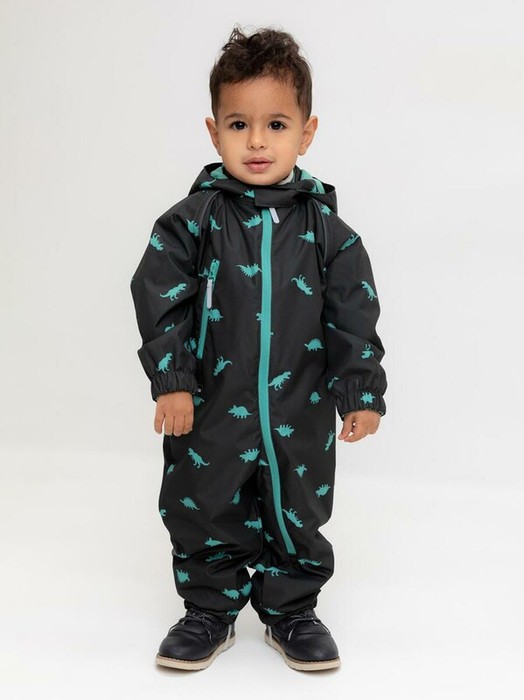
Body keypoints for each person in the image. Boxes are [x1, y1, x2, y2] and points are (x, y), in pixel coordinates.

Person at [130, 25, 387, 672]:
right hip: (211, 407)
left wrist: (359, 390)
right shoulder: (192, 222)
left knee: (300, 508)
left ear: (307, 132)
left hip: (300, 409)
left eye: (276, 124)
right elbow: (159, 297)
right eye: (238, 124)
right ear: (214, 132)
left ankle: (293, 611)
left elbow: (353, 314)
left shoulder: (330, 234)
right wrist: (172, 380)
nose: (257, 141)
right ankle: (207, 611)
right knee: (202, 502)